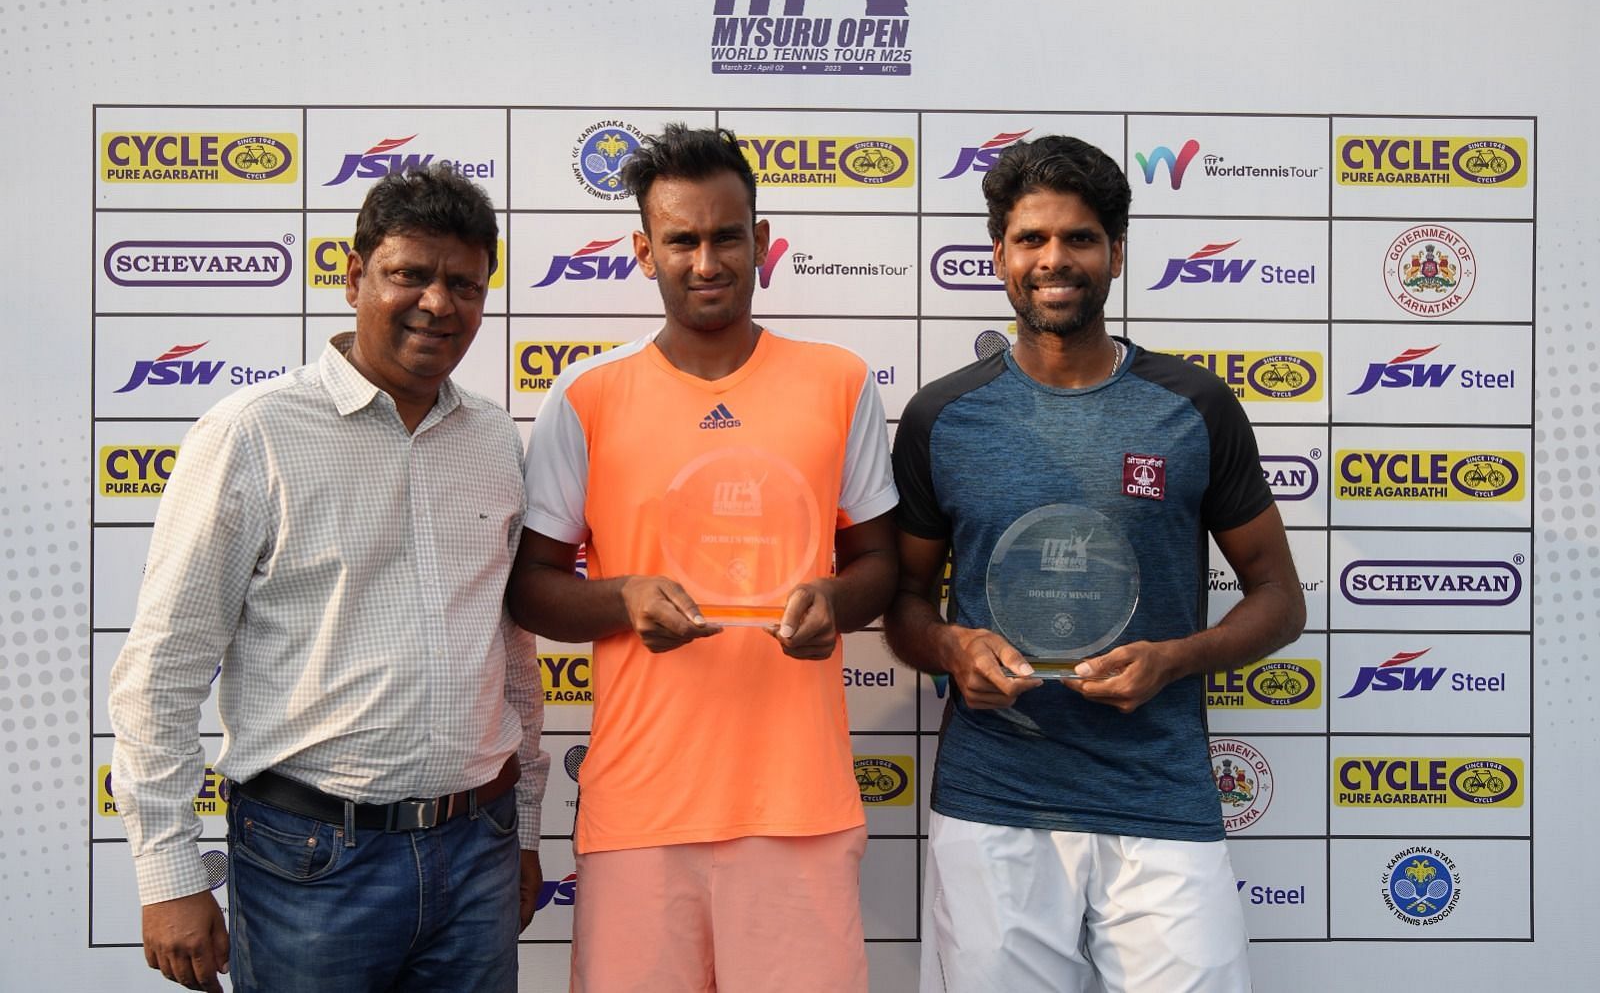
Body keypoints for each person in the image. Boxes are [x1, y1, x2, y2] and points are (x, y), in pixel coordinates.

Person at [108, 164, 550, 993]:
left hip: (478, 851)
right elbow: (161, 669)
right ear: (354, 276)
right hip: (311, 861)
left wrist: (522, 830)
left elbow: (514, 657)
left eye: (464, 283)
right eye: (409, 274)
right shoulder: (252, 434)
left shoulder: (495, 440)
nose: (438, 303)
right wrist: (168, 873)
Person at [885, 135, 1305, 993]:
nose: (1054, 260)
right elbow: (902, 603)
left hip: (1160, 796)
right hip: (996, 800)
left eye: (1079, 238)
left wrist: (1176, 658)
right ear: (998, 253)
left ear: (1116, 252)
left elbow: (1278, 597)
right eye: (1031, 239)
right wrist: (953, 649)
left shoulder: (1194, 408)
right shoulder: (942, 418)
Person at [508, 124, 898, 992]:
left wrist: (836, 602)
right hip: (642, 805)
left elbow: (879, 560)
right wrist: (623, 600)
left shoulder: (838, 381)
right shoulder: (586, 394)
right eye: (681, 240)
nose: (707, 259)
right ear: (644, 252)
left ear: (762, 241)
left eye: (727, 236)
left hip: (798, 804)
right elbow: (531, 590)